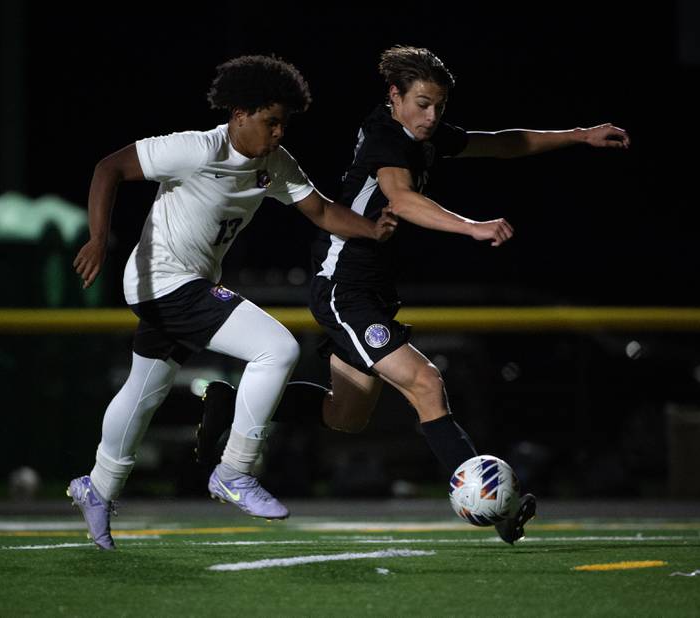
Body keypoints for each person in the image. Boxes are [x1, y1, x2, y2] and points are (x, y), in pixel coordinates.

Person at [195, 45, 630, 545]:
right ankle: (496, 508)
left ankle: (232, 405)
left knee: (346, 415)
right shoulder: (386, 135)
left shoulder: (420, 133)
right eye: (422, 104)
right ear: (394, 96)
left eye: (439, 107)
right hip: (345, 285)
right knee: (426, 382)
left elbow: (502, 143)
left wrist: (580, 135)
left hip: (371, 287)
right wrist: (473, 227)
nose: (431, 116)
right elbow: (402, 198)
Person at [67, 54, 398, 550]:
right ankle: (234, 471)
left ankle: (97, 486)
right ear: (238, 115)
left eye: (285, 122)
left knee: (146, 388)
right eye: (270, 121)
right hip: (164, 280)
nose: (279, 131)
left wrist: (371, 228)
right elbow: (107, 168)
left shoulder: (275, 164)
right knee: (278, 349)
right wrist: (98, 238)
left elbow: (322, 210)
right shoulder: (195, 149)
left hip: (181, 284)